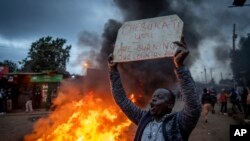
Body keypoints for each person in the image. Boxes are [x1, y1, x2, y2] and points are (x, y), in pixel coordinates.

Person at [108, 39, 201, 141]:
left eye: (159, 97)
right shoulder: (143, 118)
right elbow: (122, 100)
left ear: (170, 105)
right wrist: (113, 70)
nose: (153, 99)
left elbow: (194, 107)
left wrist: (180, 66)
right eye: (153, 97)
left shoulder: (178, 123)